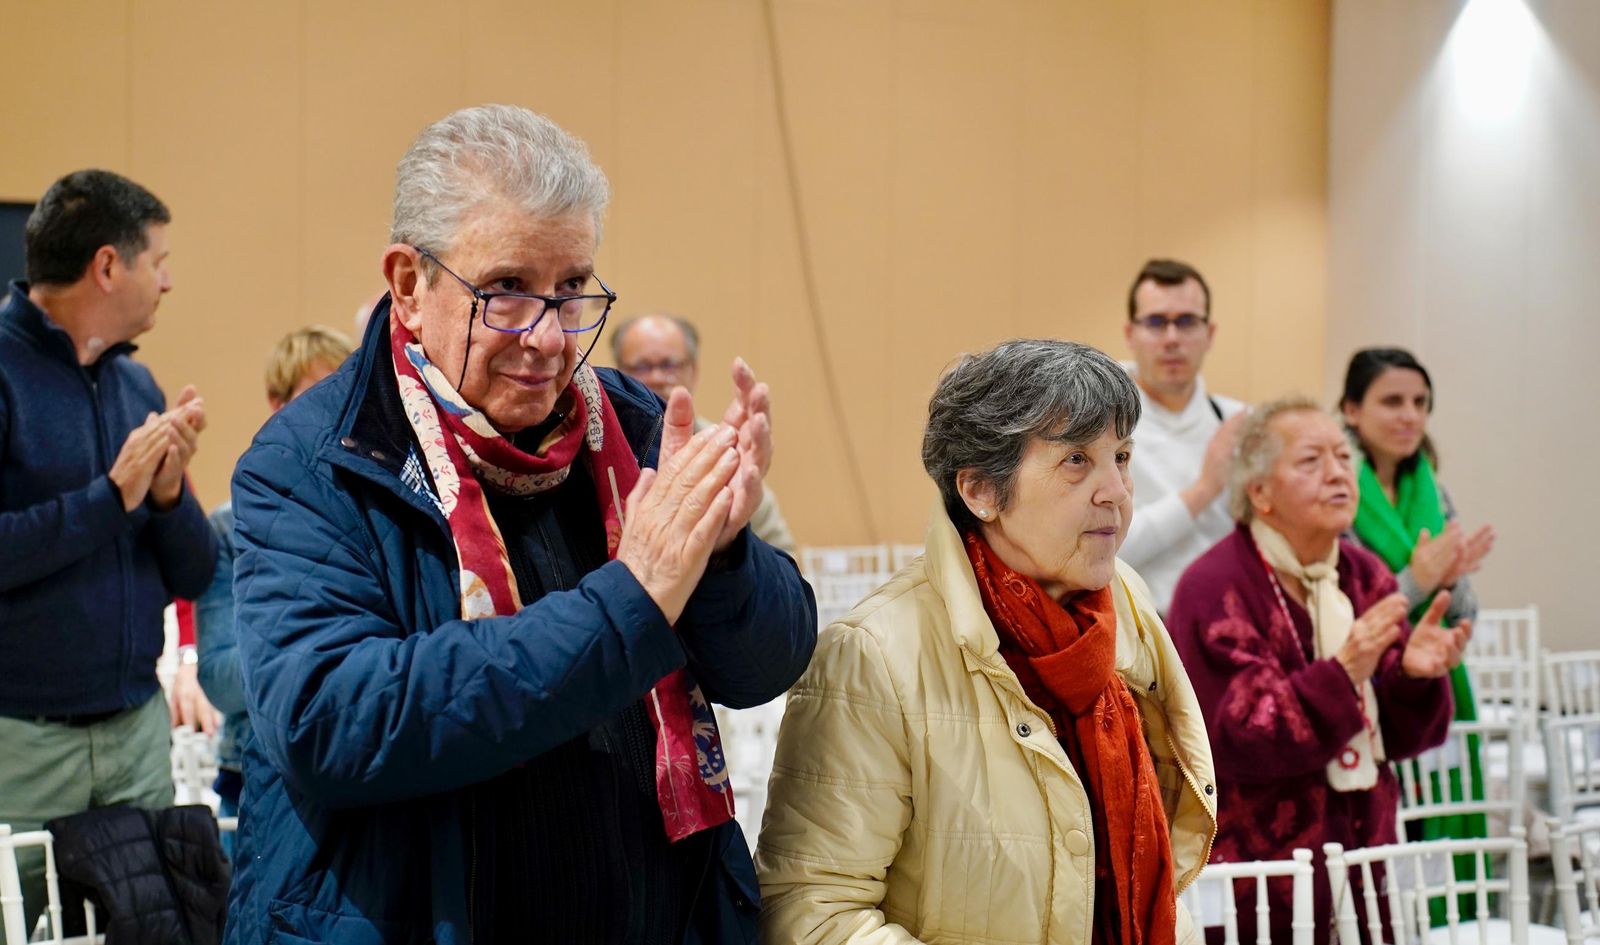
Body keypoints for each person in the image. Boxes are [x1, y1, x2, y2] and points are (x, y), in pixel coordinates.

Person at [223, 105, 817, 945]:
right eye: (505, 289)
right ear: (407, 283)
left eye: (571, 288)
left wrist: (722, 549)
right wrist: (631, 601)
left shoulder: (633, 424)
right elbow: (332, 722)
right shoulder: (315, 461)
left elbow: (767, 666)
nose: (546, 336)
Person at [758, 339, 1217, 945]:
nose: (1116, 491)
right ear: (979, 490)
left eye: (1123, 456)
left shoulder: (1126, 605)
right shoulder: (873, 653)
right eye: (1076, 460)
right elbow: (813, 913)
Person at [0, 169, 216, 940]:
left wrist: (164, 496)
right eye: (156, 259)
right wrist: (111, 496)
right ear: (106, 266)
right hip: (22, 744)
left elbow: (196, 570)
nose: (168, 279)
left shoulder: (136, 383)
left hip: (135, 737)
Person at [1166, 396, 1467, 945]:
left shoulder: (1362, 573)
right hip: (1259, 876)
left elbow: (1399, 740)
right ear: (1259, 493)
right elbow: (1238, 738)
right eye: (1310, 461)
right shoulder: (1214, 587)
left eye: (1342, 458)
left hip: (1363, 855)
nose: (1337, 474)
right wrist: (1344, 671)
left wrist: (1415, 679)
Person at [1340, 347, 1496, 918]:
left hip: (1442, 673)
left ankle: (1453, 920)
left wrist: (1445, 589)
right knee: (1395, 823)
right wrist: (1421, 577)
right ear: (1351, 410)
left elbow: (1465, 602)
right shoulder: (1339, 490)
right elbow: (1351, 606)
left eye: (1420, 403)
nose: (1409, 415)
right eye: (1392, 401)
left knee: (1450, 809)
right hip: (1374, 681)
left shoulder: (1433, 487)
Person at [193, 325, 354, 853]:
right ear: (275, 404)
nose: (331, 413)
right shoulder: (230, 524)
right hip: (253, 775)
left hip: (352, 763)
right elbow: (219, 678)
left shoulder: (371, 513)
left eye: (344, 393)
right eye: (314, 395)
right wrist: (328, 652)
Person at [1118, 259, 1247, 612]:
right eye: (1156, 323)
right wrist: (1203, 491)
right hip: (1139, 633)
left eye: (1187, 322)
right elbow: (1102, 546)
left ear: (1210, 334)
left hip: (1230, 629)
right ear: (1131, 334)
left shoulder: (1238, 422)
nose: (1172, 339)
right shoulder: (1101, 426)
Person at [612, 312, 797, 555]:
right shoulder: (602, 446)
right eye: (642, 367)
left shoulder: (726, 450)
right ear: (618, 371)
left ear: (693, 371)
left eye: (669, 365)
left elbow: (783, 557)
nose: (656, 378)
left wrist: (726, 547)